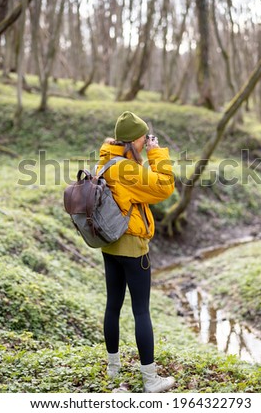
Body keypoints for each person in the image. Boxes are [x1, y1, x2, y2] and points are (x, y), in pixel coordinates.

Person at [97, 111, 175, 393]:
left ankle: (113, 368)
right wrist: (157, 154)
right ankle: (150, 379)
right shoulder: (127, 170)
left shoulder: (106, 160)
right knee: (141, 310)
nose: (146, 142)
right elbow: (165, 186)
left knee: (113, 305)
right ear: (132, 141)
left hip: (109, 244)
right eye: (143, 139)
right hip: (132, 246)